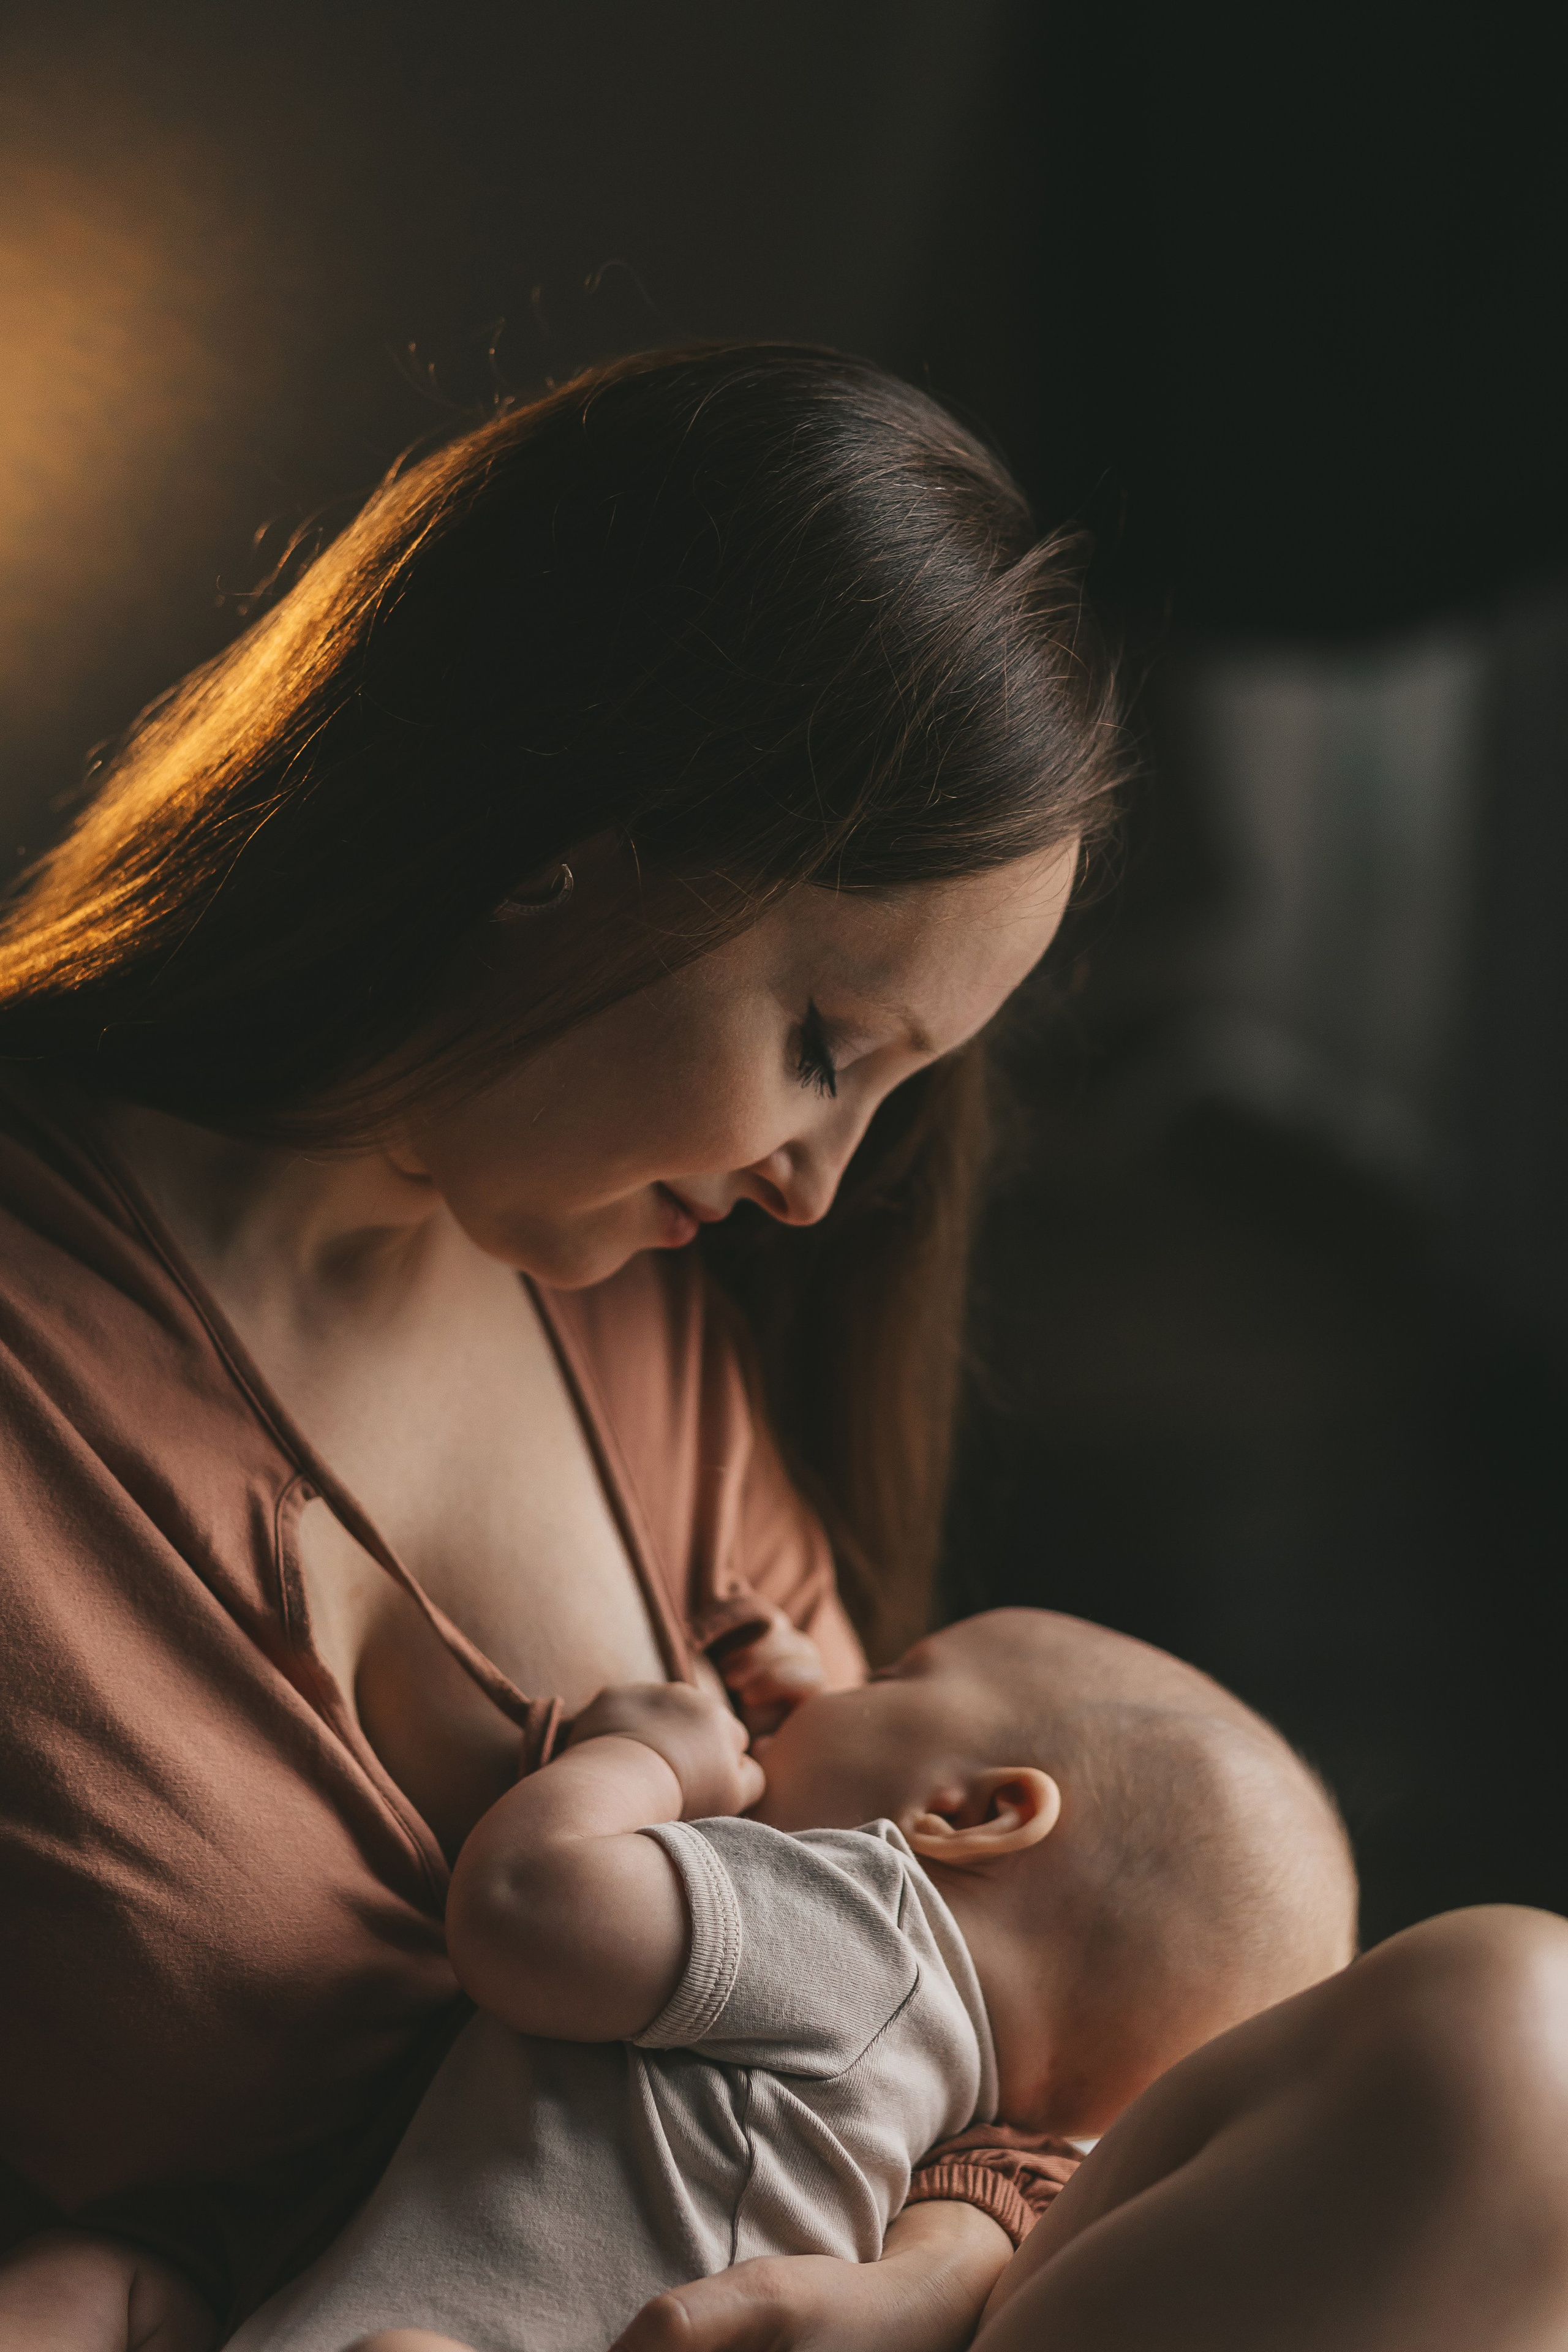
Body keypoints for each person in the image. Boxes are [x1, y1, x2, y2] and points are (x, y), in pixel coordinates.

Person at [2, 342, 1567, 2352]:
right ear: (549, 847)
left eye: (896, 1094)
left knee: (1515, 2050)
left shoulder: (658, 1343)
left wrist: (935, 2276)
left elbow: (992, 2022)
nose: (820, 1191)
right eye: (822, 1045)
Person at [2, 1607, 1358, 2352]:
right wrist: (814, 1708)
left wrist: (647, 1756)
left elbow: (530, 1913)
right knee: (106, 2284)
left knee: (87, 2298)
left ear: (973, 1815)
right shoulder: (940, 2122)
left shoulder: (868, 1926)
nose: (806, 1698)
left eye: (889, 1671)